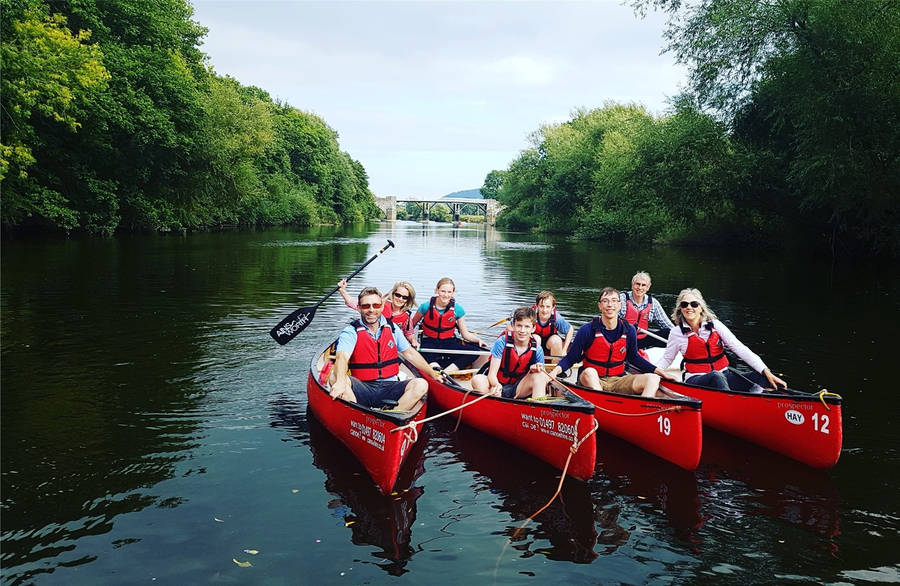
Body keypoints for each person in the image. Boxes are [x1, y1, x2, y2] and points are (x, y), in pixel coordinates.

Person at [548, 287, 676, 398]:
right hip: (593, 379)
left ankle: (642, 410)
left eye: (614, 301)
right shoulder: (587, 330)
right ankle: (601, 403)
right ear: (600, 305)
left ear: (619, 305)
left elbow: (634, 358)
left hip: (618, 379)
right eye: (606, 301)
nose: (610, 305)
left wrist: (660, 372)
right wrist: (554, 372)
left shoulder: (629, 330)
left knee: (653, 379)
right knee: (589, 372)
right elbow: (571, 358)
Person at [330, 287, 441, 411]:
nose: (371, 310)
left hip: (390, 387)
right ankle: (357, 412)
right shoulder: (351, 331)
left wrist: (432, 373)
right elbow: (342, 357)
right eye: (366, 306)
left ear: (382, 307)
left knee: (421, 384)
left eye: (375, 305)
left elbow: (410, 353)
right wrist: (340, 382)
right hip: (362, 387)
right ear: (359, 308)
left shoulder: (393, 328)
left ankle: (391, 415)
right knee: (334, 377)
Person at [655, 288, 787, 392]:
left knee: (759, 377)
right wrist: (653, 373)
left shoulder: (715, 325)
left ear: (701, 308)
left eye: (694, 304)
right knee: (716, 376)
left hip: (724, 375)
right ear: (680, 309)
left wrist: (766, 371)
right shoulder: (676, 333)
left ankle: (762, 400)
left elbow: (739, 348)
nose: (689, 307)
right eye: (684, 304)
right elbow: (667, 359)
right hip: (696, 379)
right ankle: (733, 405)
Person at [409, 277, 490, 373]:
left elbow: (465, 334)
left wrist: (478, 340)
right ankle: (436, 368)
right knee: (425, 354)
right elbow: (411, 326)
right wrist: (413, 340)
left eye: (449, 292)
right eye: (443, 291)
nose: (446, 295)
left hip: (448, 342)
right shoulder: (425, 306)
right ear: (437, 290)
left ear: (453, 292)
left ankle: (446, 372)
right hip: (429, 341)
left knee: (475, 351)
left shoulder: (458, 309)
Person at [471, 307, 548, 399]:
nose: (522, 330)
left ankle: (535, 409)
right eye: (519, 325)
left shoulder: (538, 350)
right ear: (513, 325)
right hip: (497, 385)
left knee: (540, 376)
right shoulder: (501, 342)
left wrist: (534, 369)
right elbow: (491, 374)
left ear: (533, 328)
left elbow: (544, 379)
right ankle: (493, 402)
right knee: (477, 380)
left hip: (519, 388)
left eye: (527, 326)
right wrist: (496, 385)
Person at [338, 279, 417, 344]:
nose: (400, 299)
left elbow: (409, 333)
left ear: (408, 300)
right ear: (393, 294)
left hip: (391, 344)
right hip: (372, 340)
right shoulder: (379, 305)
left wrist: (413, 341)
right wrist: (342, 291)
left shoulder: (407, 316)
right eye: (398, 295)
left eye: (404, 297)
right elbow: (354, 303)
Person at [618, 271, 675, 350]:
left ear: (648, 287)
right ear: (632, 285)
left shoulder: (653, 303)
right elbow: (611, 321)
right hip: (623, 339)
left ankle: (647, 351)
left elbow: (667, 324)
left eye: (643, 285)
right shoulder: (621, 299)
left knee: (668, 332)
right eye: (637, 284)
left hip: (641, 340)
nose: (640, 288)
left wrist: (682, 336)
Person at [533, 290, 573, 360]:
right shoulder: (530, 315)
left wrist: (564, 350)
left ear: (553, 307)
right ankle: (532, 365)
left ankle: (554, 368)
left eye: (548, 307)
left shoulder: (556, 318)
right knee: (536, 339)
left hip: (550, 344)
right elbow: (512, 325)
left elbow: (570, 330)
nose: (544, 310)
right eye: (541, 306)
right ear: (537, 306)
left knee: (556, 340)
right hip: (535, 344)